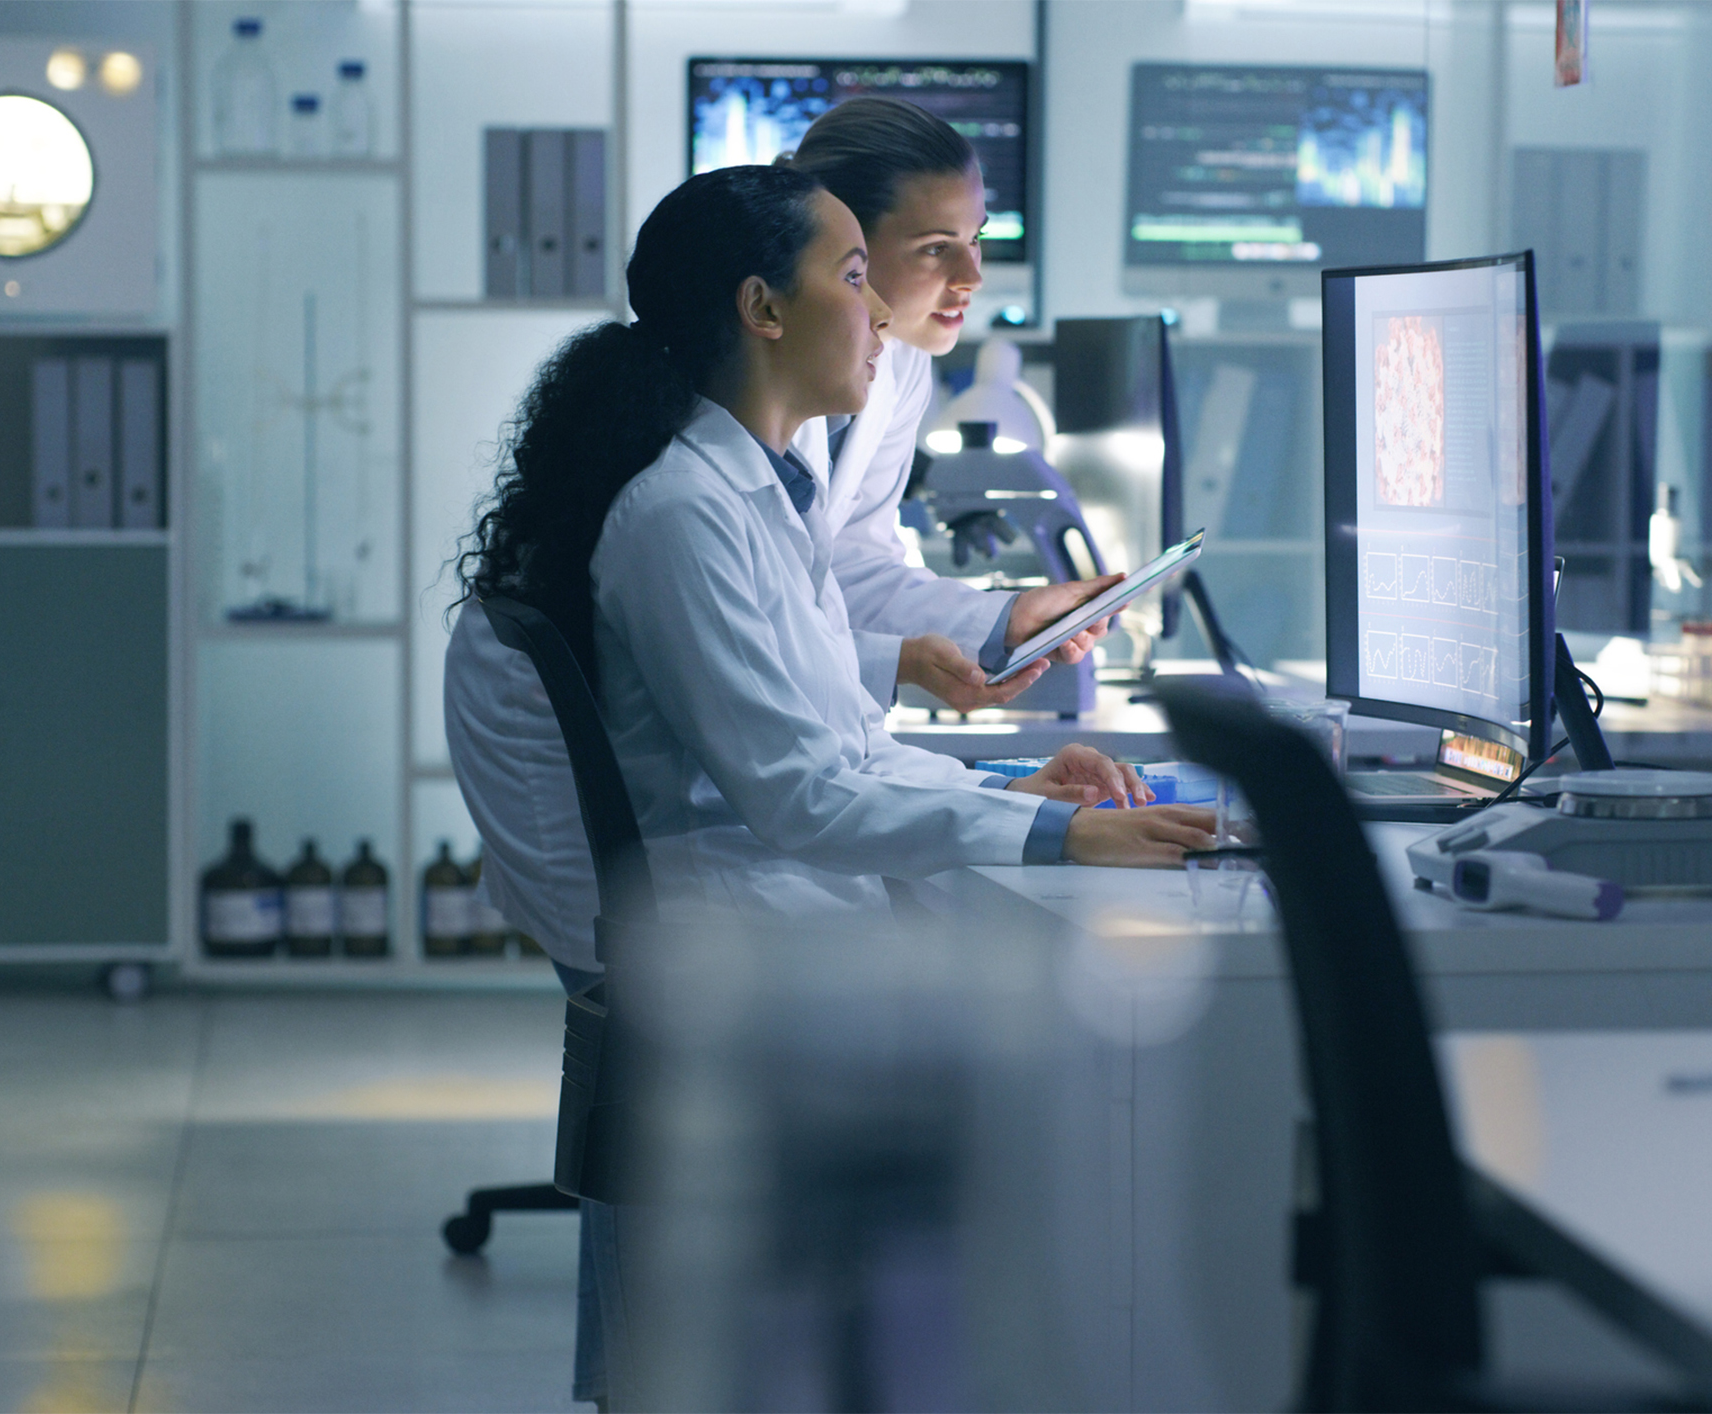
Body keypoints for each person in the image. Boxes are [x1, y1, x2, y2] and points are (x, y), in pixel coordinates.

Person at [446, 163, 1213, 1408]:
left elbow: (841, 744)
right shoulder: (682, 515)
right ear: (763, 308)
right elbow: (804, 794)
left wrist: (1032, 791)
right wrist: (1056, 841)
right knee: (1101, 1050)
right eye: (856, 276)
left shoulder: (755, 493)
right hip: (748, 930)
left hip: (767, 902)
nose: (883, 314)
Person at [779, 95, 1122, 715]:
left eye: (975, 239)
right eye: (937, 247)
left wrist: (1008, 617)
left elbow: (850, 566)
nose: (972, 276)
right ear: (841, 244)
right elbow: (759, 636)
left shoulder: (902, 362)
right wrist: (902, 664)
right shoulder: (737, 400)